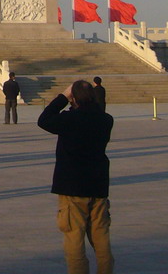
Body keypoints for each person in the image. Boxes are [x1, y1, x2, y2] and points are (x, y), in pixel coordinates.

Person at [38, 80, 115, 274]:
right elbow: (94, 113)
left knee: (74, 237)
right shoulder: (106, 119)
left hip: (72, 186)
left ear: (74, 98)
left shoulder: (70, 119)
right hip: (98, 184)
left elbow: (44, 120)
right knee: (101, 237)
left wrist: (63, 97)